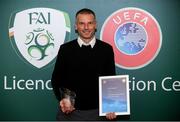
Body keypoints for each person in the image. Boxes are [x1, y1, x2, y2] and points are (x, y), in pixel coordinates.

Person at [51, 8, 117, 121]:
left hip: (98, 113)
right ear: (76, 26)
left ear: (95, 25)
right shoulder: (65, 49)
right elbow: (56, 80)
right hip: (70, 113)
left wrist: (111, 106)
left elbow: (111, 80)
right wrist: (64, 99)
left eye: (90, 23)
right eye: (82, 23)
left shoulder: (106, 49)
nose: (86, 27)